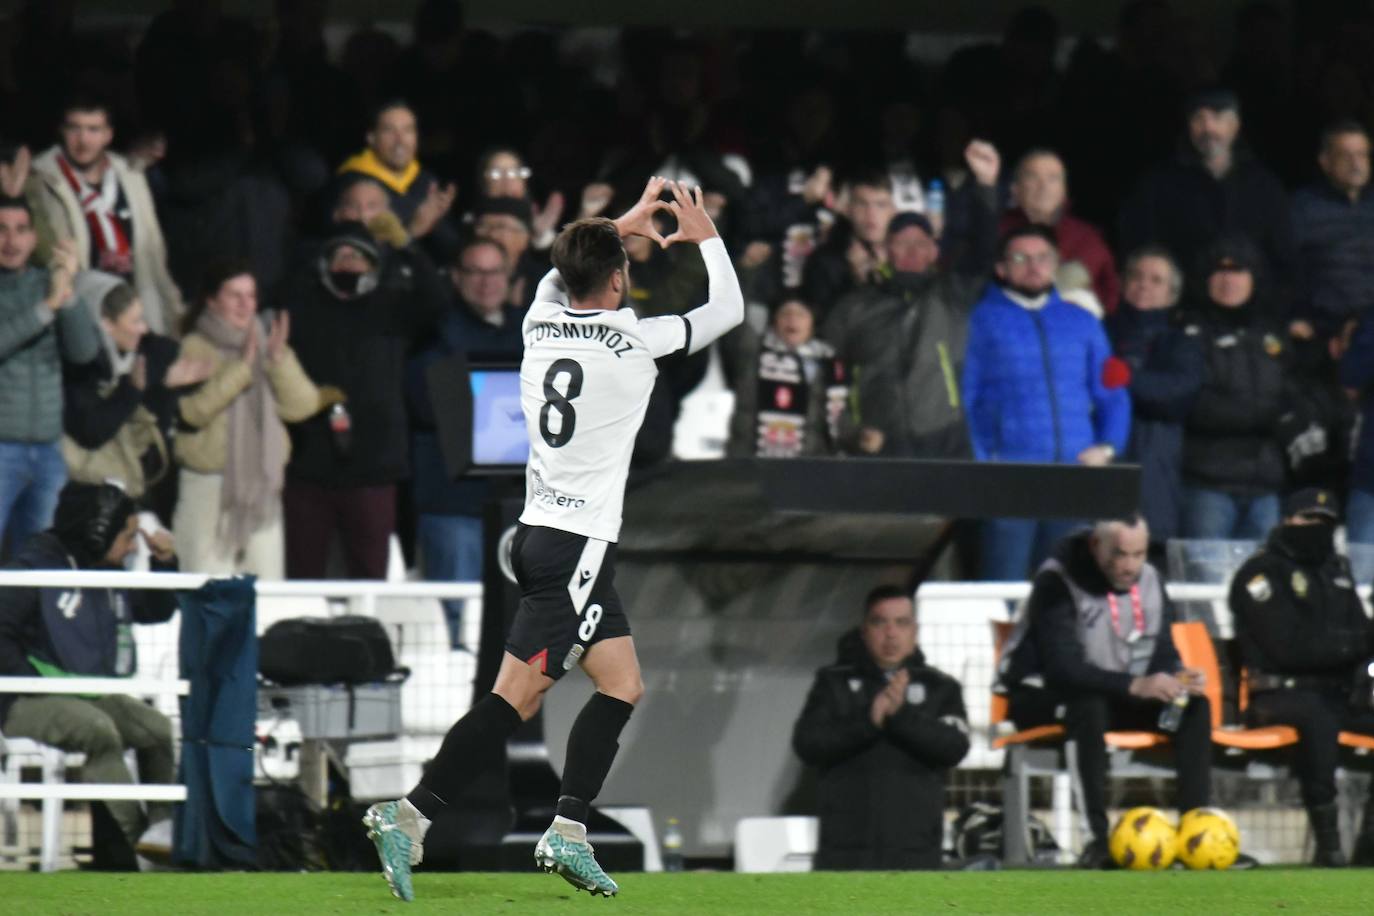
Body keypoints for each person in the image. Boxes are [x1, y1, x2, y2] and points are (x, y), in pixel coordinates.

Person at [362, 177, 744, 901]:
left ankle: (568, 830)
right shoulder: (633, 342)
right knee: (513, 700)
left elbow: (557, 272)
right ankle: (406, 816)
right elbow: (727, 309)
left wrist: (615, 222)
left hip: (544, 533)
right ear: (619, 278)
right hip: (576, 548)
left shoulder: (537, 322)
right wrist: (706, 237)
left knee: (622, 683)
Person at [997, 515, 1212, 868]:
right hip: (1042, 694)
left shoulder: (1153, 580)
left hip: (1116, 692)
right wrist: (1135, 684)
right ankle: (1097, 841)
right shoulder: (1057, 579)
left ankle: (1195, 834)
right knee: (1087, 707)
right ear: (1097, 546)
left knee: (1192, 708)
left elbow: (1161, 650)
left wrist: (1177, 675)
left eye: (1138, 554)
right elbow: (1062, 668)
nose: (1130, 566)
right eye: (1120, 554)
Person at [0, 482, 180, 861]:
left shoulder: (105, 567)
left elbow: (154, 610)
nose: (133, 546)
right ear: (98, 531)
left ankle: (163, 836)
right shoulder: (32, 571)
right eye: (128, 536)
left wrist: (164, 562)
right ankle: (137, 848)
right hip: (19, 700)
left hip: (85, 694)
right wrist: (35, 685)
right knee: (97, 728)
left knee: (157, 730)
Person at [961, 225, 1131, 580]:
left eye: (1043, 258)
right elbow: (965, 397)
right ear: (1001, 268)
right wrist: (981, 463)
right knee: (1001, 589)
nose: (1034, 267)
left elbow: (1112, 391)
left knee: (1066, 587)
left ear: (1056, 264)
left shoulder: (1082, 322)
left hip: (1072, 476)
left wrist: (1108, 447)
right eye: (1021, 258)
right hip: (1009, 480)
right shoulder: (978, 321)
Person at [281, 221, 443, 580]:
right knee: (302, 577)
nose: (349, 263)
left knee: (370, 577)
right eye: (341, 254)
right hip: (308, 464)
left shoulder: (392, 307)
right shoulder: (302, 308)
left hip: (375, 466)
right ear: (324, 264)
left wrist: (408, 248)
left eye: (359, 256)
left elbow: (436, 302)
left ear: (374, 266)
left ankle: (365, 637)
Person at [823, 140, 1002, 459]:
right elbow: (825, 372)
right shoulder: (854, 305)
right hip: (877, 442)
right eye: (901, 243)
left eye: (921, 243)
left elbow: (985, 250)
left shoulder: (953, 295)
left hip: (943, 438)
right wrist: (850, 430)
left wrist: (986, 186)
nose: (911, 251)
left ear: (935, 251)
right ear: (887, 250)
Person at [1229, 490, 1374, 866]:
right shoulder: (1260, 574)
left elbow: (1362, 633)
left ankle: (1368, 845)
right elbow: (1287, 648)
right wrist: (1351, 647)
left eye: (1325, 522)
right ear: (1287, 520)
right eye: (1309, 520)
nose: (1317, 529)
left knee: (1329, 708)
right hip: (1278, 695)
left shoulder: (1336, 571)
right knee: (1318, 715)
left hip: (1338, 693)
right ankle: (1328, 848)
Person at [172, 262, 336, 578]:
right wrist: (241, 370)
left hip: (261, 491)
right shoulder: (192, 346)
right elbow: (192, 411)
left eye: (251, 296)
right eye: (235, 295)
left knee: (266, 596)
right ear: (211, 300)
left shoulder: (264, 344)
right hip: (208, 488)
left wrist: (278, 360)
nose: (245, 304)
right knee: (207, 593)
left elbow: (303, 407)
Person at [792, 585, 970, 870]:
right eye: (879, 622)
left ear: (915, 631)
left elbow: (954, 747)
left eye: (901, 623)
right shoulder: (833, 683)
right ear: (864, 631)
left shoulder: (941, 688)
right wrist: (868, 721)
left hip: (916, 857)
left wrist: (901, 716)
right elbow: (808, 744)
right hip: (845, 857)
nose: (890, 633)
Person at [407, 236, 523, 646]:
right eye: (475, 271)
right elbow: (426, 404)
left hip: (520, 502)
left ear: (510, 278)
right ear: (456, 278)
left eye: (495, 272)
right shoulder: (432, 333)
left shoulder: (535, 330)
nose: (486, 282)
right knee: (456, 618)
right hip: (453, 502)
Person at [1118, 88, 1293, 306]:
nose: (1208, 128)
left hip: (1252, 312)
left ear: (1234, 126)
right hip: (1181, 308)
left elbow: (1284, 256)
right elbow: (1140, 247)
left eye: (1217, 118)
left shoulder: (1264, 186)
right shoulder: (1159, 184)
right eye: (1199, 119)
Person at [29, 96, 186, 335]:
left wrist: (172, 312)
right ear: (62, 131)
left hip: (137, 308)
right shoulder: (43, 179)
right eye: (75, 129)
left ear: (108, 135)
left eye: (93, 130)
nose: (83, 140)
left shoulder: (131, 175)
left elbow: (154, 254)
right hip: (84, 312)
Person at [0, 198, 99, 557]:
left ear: (33, 237)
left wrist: (67, 291)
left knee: (41, 564)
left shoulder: (49, 284)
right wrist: (47, 309)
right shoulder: (45, 298)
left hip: (47, 449)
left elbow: (84, 351)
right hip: (1, 448)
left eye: (21, 230)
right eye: (2, 230)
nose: (11, 240)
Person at [62, 274, 210, 508]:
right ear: (106, 323)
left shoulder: (144, 352)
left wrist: (165, 386)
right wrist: (132, 390)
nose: (143, 328)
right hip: (84, 493)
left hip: (127, 485)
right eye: (135, 321)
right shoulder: (79, 369)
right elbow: (92, 432)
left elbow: (173, 359)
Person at [1180, 237, 1289, 540]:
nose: (1229, 280)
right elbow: (1195, 404)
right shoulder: (1188, 333)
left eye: (1238, 270)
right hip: (1207, 484)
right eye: (1220, 271)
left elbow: (1292, 395)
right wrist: (1268, 416)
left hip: (1265, 484)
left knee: (1264, 581)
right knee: (1205, 583)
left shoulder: (1272, 334)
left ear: (1254, 277)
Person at [1106, 247, 1204, 547]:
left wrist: (1128, 380)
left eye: (1156, 280)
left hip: (1156, 468)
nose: (1144, 285)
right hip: (1105, 465)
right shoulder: (1101, 329)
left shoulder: (1183, 339)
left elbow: (1179, 393)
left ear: (1173, 295)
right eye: (1136, 276)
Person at [726, 297, 850, 457]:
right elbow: (735, 321)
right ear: (774, 321)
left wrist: (859, 436)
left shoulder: (829, 363)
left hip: (810, 467)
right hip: (752, 464)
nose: (792, 319)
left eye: (800, 315)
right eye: (785, 314)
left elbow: (840, 419)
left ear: (812, 323)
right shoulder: (752, 355)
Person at [1000, 149, 1119, 313]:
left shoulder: (1087, 238)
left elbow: (1111, 298)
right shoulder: (996, 232)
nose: (1043, 187)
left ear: (1064, 191)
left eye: (1053, 179)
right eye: (1032, 177)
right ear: (1015, 190)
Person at [1290, 120, 1374, 333]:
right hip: (1327, 327)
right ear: (1325, 161)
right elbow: (1289, 269)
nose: (1356, 164)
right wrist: (1300, 317)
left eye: (1362, 155)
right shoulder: (1302, 208)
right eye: (1346, 156)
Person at [336, 100, 456, 243]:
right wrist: (412, 231)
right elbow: (356, 251)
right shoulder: (352, 184)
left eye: (408, 130)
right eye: (389, 131)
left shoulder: (426, 181)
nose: (400, 140)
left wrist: (438, 222)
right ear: (371, 138)